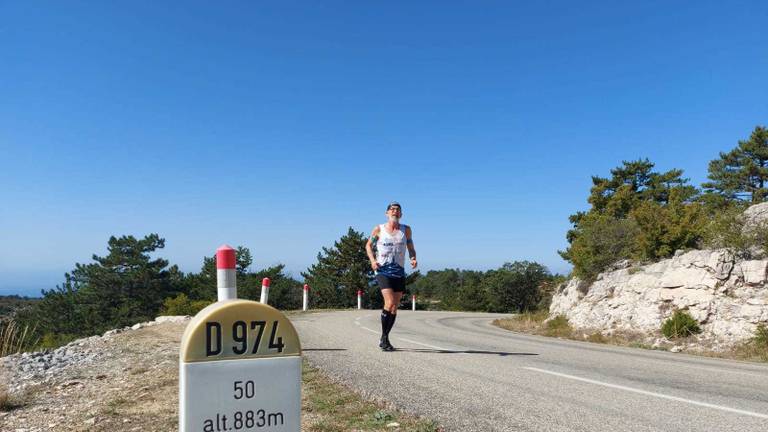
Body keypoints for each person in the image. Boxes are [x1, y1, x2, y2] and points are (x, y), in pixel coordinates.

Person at [365, 202, 417, 351]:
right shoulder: (379, 229)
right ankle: (384, 337)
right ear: (387, 213)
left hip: (399, 271)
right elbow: (368, 245)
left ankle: (384, 337)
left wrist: (413, 258)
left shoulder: (406, 230)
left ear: (401, 214)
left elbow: (411, 248)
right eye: (392, 209)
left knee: (394, 307)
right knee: (389, 302)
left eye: (398, 210)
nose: (395, 211)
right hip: (383, 270)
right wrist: (373, 261)